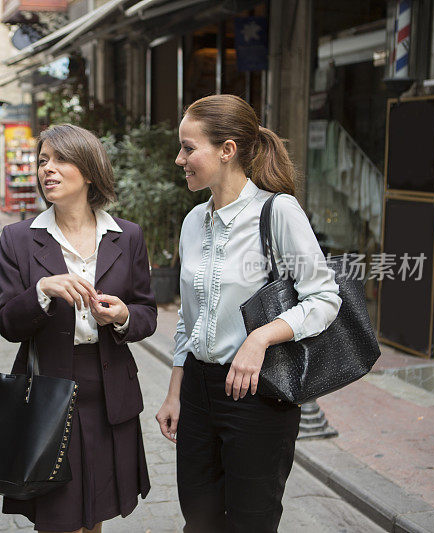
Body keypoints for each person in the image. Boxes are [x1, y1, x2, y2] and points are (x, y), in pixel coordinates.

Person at [155, 94, 342, 533]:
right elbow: (188, 318)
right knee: (198, 520)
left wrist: (261, 337)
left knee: (250, 522)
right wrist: (174, 391)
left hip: (260, 393)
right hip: (199, 390)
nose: (179, 158)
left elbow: (324, 297)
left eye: (188, 147)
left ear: (227, 149)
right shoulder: (192, 222)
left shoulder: (277, 212)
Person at [0, 123, 156, 533]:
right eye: (43, 161)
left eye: (60, 159)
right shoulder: (18, 239)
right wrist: (42, 291)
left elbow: (147, 314)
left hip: (108, 395)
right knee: (58, 519)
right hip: (48, 393)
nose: (47, 169)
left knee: (94, 514)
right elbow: (6, 324)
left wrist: (121, 316)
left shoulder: (127, 236)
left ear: (88, 171)